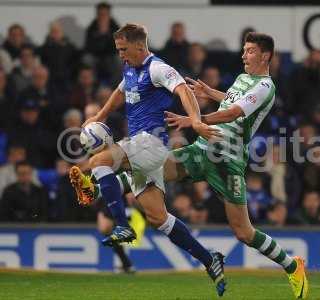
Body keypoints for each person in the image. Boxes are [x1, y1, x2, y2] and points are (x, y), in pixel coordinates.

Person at [76, 32, 308, 299]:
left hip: (227, 159)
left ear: (265, 55)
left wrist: (195, 119)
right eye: (244, 50)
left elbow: (235, 113)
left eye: (250, 51)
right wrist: (211, 92)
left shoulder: (267, 86)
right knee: (150, 167)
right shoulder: (243, 78)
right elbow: (232, 101)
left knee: (243, 232)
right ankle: (96, 187)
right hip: (202, 150)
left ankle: (293, 265)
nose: (244, 55)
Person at [69, 24, 226, 296]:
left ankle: (119, 221)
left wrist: (197, 122)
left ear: (140, 46)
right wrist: (99, 117)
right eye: (118, 50)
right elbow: (120, 93)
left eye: (123, 49)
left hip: (151, 143)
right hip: (142, 149)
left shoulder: (157, 68)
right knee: (158, 217)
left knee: (99, 161)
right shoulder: (130, 68)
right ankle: (209, 259)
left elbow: (183, 90)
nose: (120, 55)